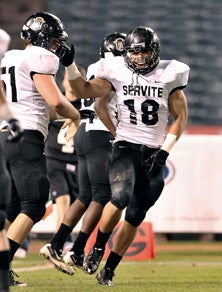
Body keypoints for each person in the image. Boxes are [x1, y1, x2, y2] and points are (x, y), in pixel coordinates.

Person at [60, 26, 189, 286]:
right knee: (118, 197)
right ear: (127, 52)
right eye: (135, 52)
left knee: (135, 215)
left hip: (153, 151)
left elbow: (180, 117)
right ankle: (97, 248)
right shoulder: (115, 69)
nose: (140, 57)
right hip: (126, 145)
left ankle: (109, 269)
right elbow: (84, 91)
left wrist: (164, 152)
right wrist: (70, 65)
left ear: (156, 51)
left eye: (146, 51)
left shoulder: (171, 73)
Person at [0, 12, 80, 286]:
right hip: (26, 138)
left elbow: (42, 108)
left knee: (12, 208)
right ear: (42, 39)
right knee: (34, 205)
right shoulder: (41, 57)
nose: (57, 46)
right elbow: (56, 102)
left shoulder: (11, 57)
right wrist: (76, 115)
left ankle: (3, 269)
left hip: (6, 136)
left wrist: (71, 112)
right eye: (55, 40)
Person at [39, 32, 126, 275]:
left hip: (85, 135)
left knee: (84, 195)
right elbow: (100, 105)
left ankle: (57, 244)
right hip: (99, 134)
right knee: (102, 196)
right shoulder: (116, 69)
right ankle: (75, 249)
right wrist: (117, 133)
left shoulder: (98, 66)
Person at [44, 67, 85, 252]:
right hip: (54, 159)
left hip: (76, 162)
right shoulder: (56, 101)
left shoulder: (87, 104)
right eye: (68, 78)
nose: (70, 82)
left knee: (74, 204)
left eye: (74, 79)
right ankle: (57, 243)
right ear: (63, 81)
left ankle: (65, 239)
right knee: (63, 199)